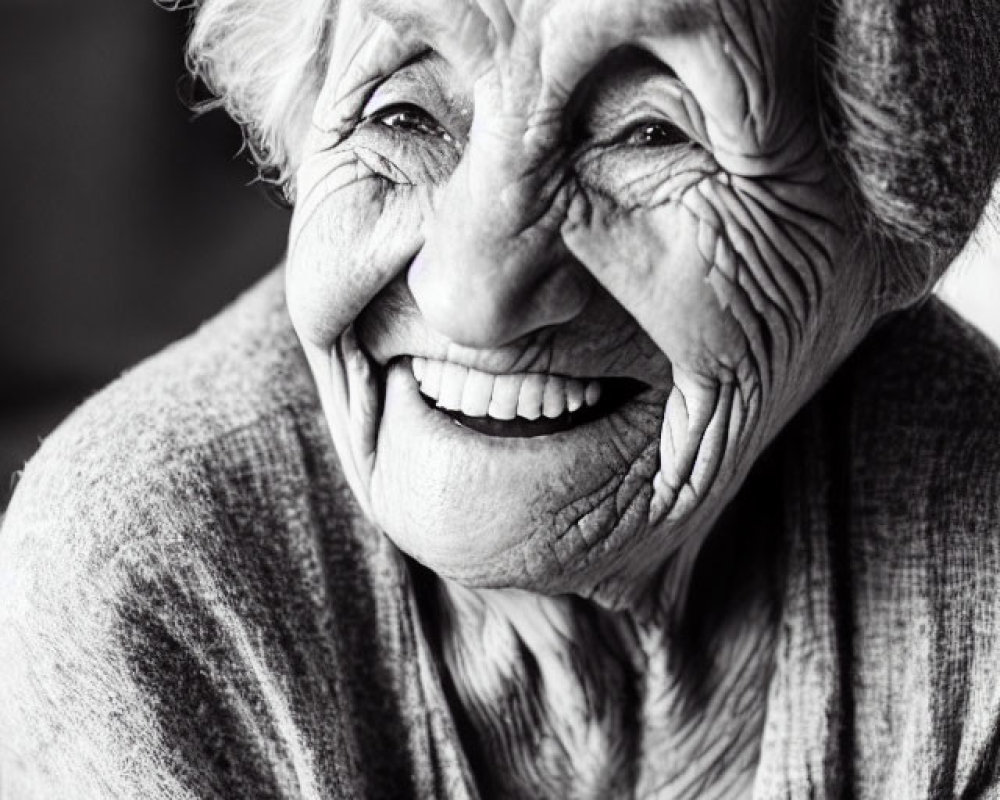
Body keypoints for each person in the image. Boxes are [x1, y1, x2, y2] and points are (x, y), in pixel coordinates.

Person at [2, 0, 1000, 797]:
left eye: (650, 134)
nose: (472, 298)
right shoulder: (150, 590)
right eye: (405, 115)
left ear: (895, 230)